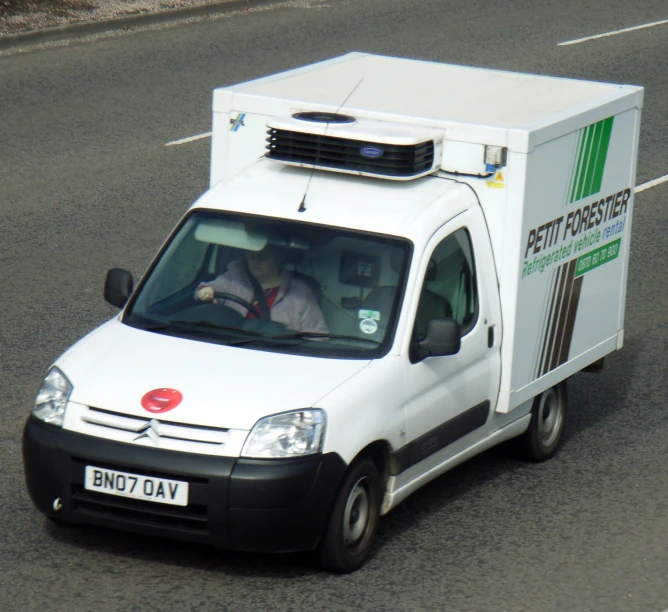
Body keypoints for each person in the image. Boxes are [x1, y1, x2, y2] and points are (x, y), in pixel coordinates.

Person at [195, 245, 328, 334]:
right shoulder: (235, 275)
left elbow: (317, 338)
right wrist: (206, 290)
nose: (255, 262)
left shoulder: (301, 294)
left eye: (262, 257)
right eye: (251, 256)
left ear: (277, 259)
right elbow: (209, 288)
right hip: (229, 345)